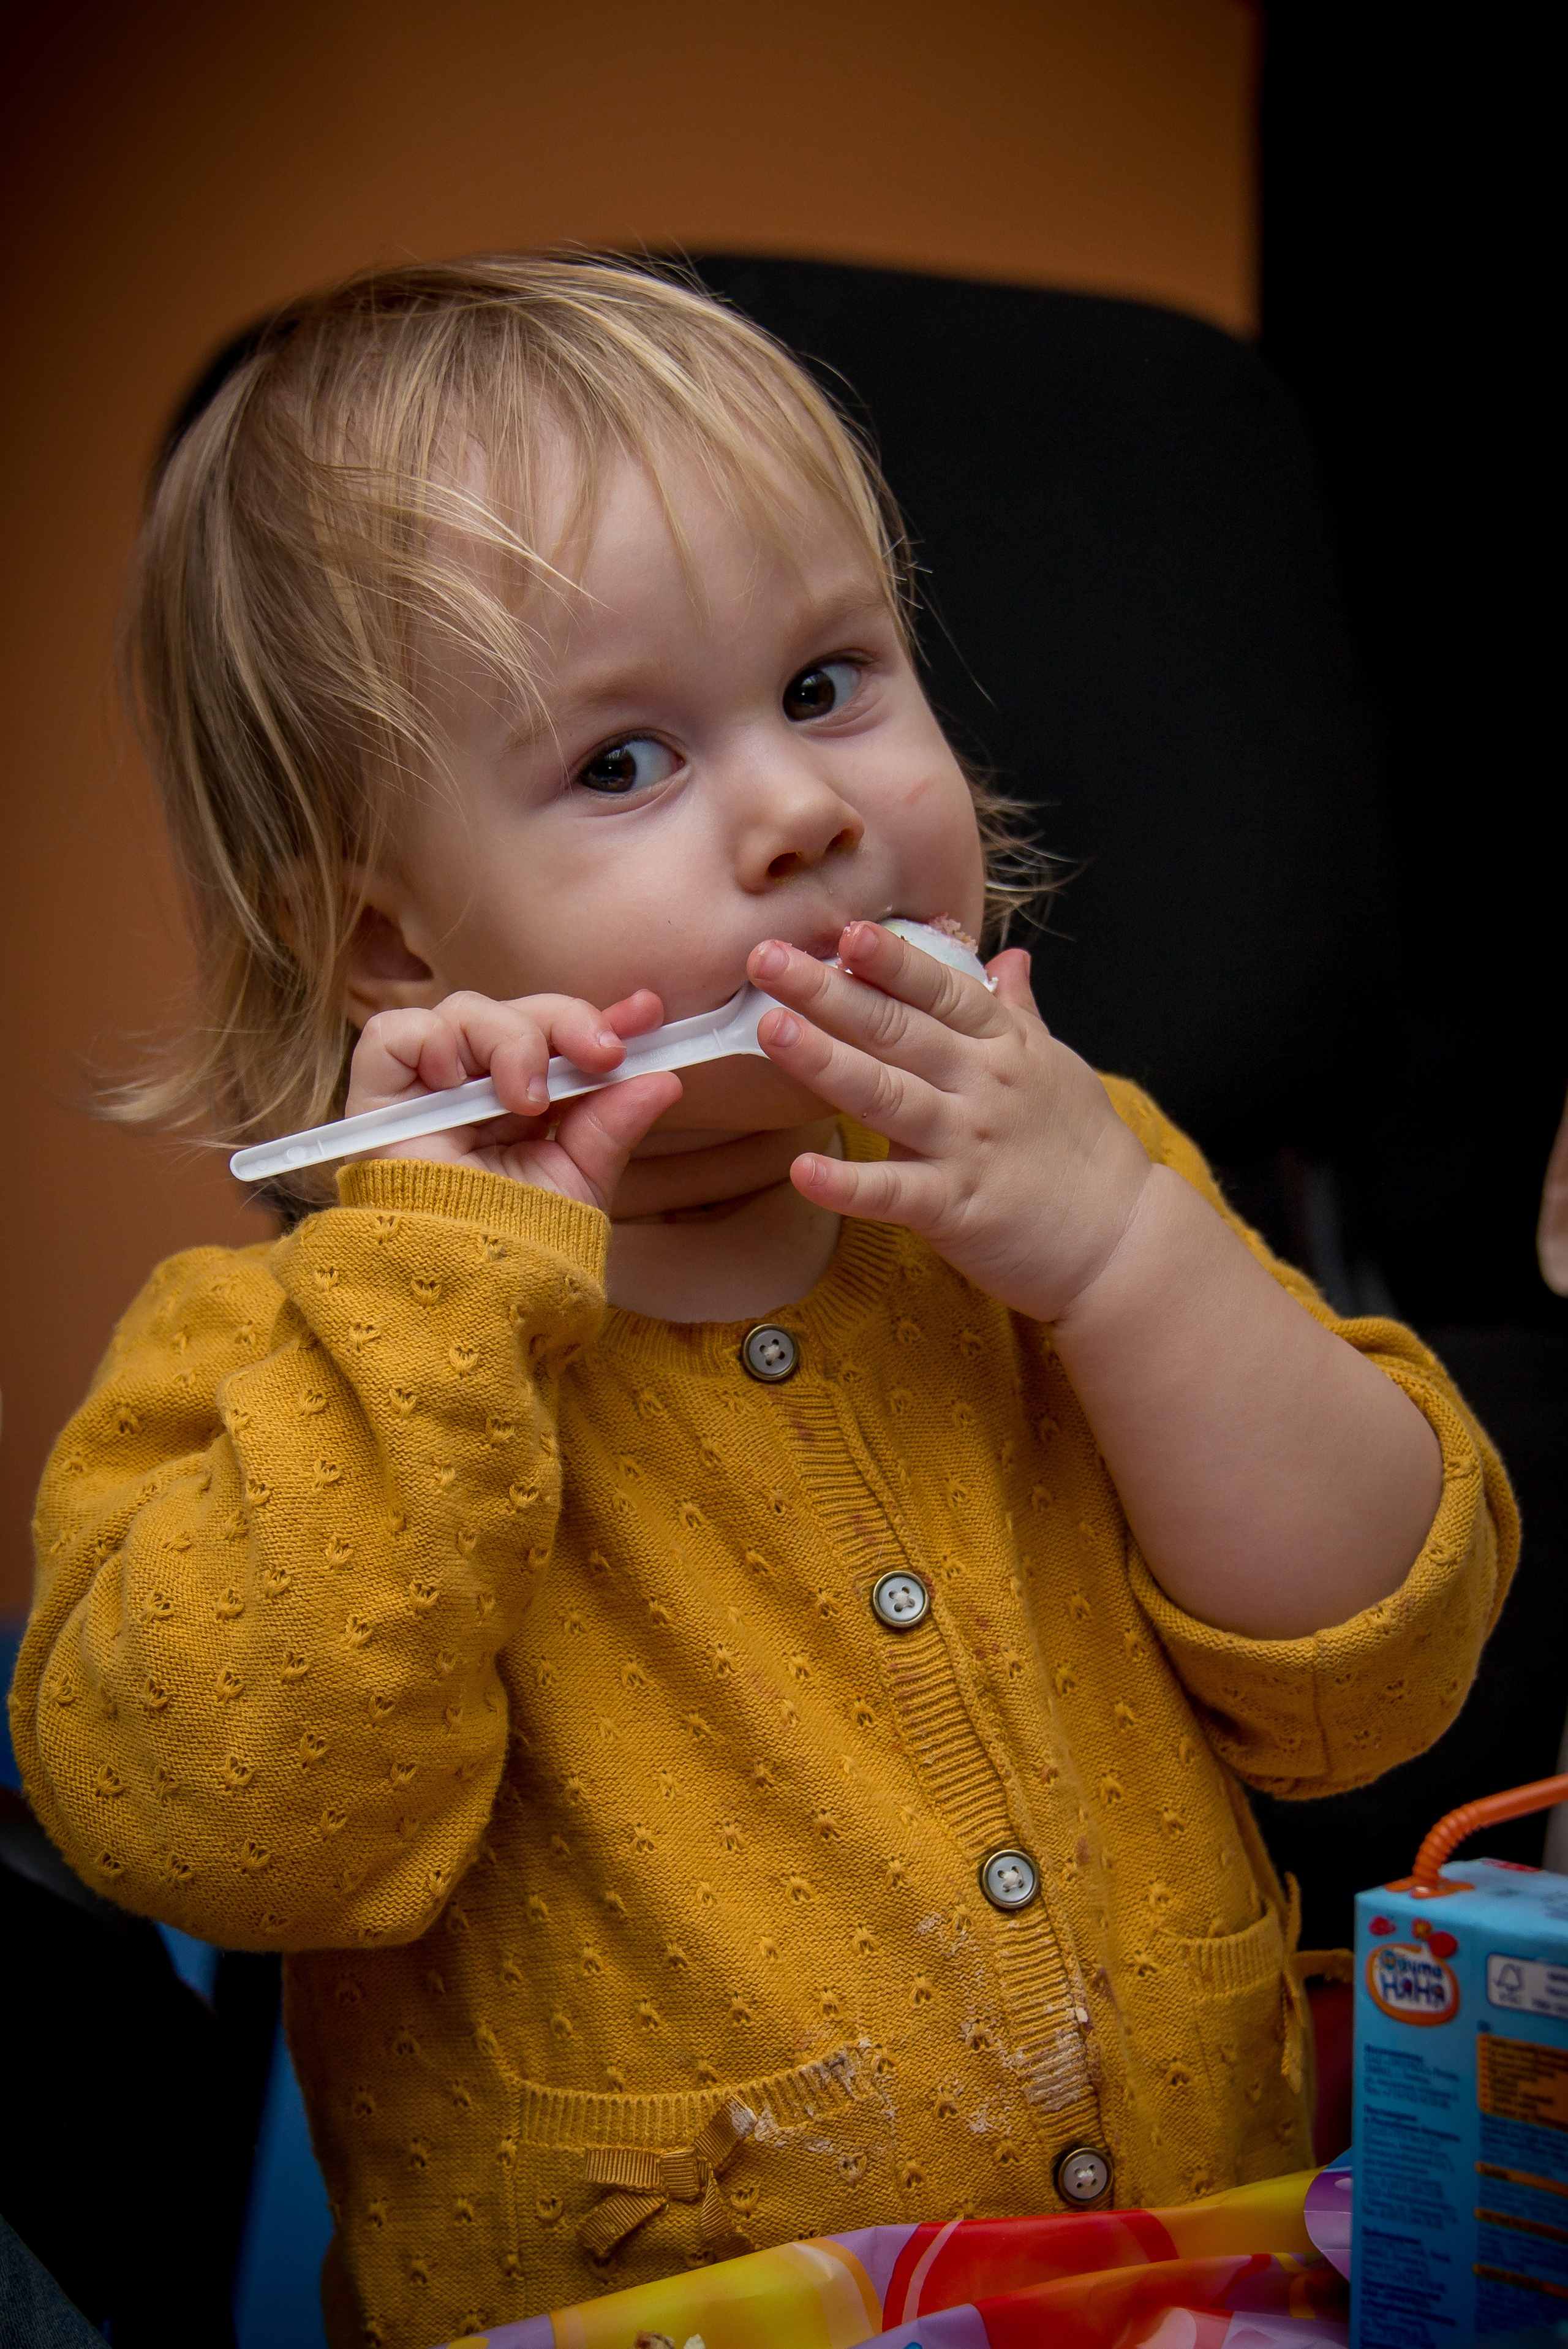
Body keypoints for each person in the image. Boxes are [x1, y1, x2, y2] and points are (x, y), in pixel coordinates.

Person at [8, 257, 1515, 2349]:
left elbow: (1383, 1667)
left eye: (828, 684)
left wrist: (1119, 1252)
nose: (808, 804)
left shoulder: (1085, 1180)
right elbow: (215, 1833)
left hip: (1200, 2291)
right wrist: (436, 1284)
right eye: (624, 758)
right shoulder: (291, 1352)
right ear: (386, 938)